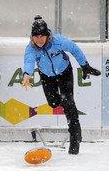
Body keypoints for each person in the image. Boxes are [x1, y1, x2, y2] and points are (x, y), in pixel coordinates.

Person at [22, 15, 101, 155]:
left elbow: (74, 49)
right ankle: (64, 104)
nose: (39, 39)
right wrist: (26, 74)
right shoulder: (31, 48)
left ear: (47, 35)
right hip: (47, 76)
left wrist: (85, 66)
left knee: (68, 103)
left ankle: (75, 137)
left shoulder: (58, 41)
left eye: (42, 36)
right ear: (32, 37)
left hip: (65, 72)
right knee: (53, 103)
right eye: (36, 36)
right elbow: (28, 62)